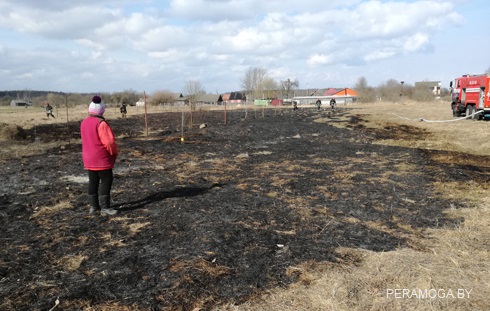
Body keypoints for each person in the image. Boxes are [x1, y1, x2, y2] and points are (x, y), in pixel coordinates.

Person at [80, 95, 119, 216]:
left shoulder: (84, 122)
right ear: (102, 110)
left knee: (93, 181)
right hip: (101, 159)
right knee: (106, 180)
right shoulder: (101, 123)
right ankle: (105, 208)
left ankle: (93, 207)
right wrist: (114, 153)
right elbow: (109, 142)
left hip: (88, 158)